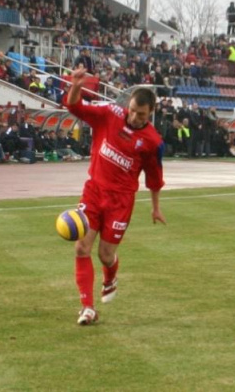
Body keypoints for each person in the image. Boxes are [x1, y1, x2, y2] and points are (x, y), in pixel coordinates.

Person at [64, 67, 167, 326]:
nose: (133, 116)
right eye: (131, 109)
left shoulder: (153, 142)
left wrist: (155, 208)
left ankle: (110, 277)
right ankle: (87, 307)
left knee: (105, 255)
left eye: (140, 114)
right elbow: (75, 108)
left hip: (121, 201)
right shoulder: (110, 115)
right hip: (94, 191)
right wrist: (76, 85)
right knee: (81, 247)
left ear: (150, 113)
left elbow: (154, 179)